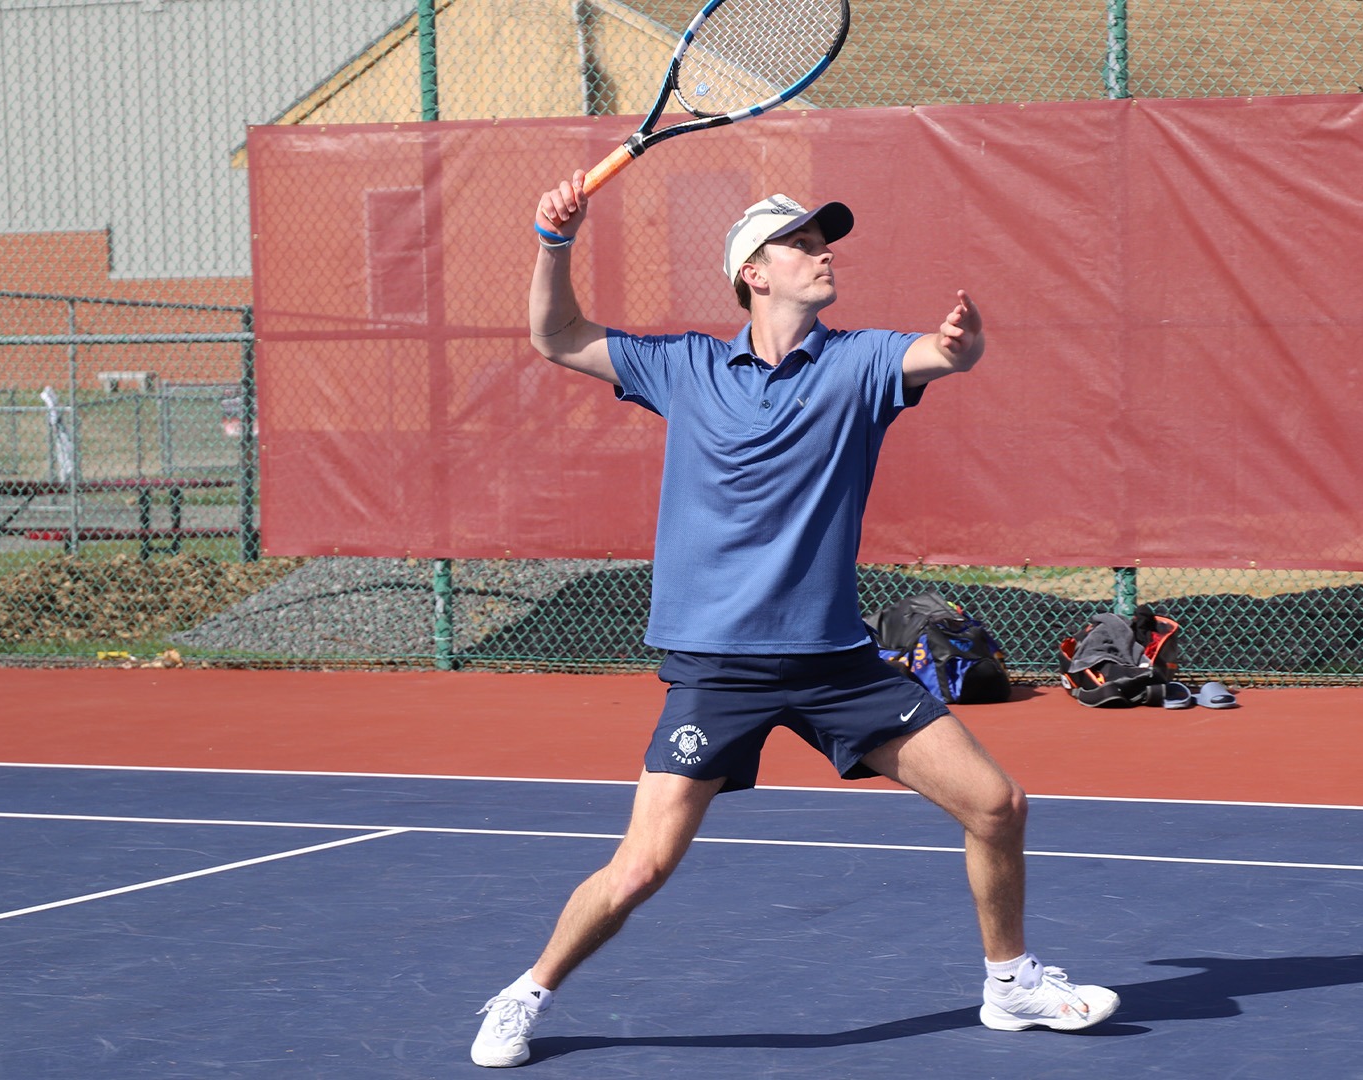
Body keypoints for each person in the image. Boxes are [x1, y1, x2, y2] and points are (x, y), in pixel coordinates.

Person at [469, 178, 1119, 1068]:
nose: (824, 252)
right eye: (802, 242)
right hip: (718, 671)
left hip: (834, 665)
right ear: (754, 272)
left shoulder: (858, 363)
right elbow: (558, 337)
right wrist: (552, 241)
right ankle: (523, 994)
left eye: (825, 239)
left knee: (997, 805)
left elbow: (937, 356)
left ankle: (1010, 988)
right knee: (642, 867)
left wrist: (959, 347)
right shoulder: (685, 367)